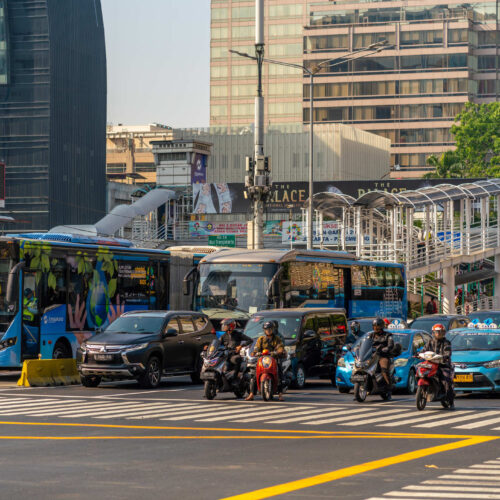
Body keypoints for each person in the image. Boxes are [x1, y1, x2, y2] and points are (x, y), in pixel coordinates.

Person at [245, 321, 285, 401]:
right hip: (262, 359)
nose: (268, 331)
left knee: (279, 373)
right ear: (264, 330)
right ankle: (251, 394)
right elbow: (256, 348)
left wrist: (278, 352)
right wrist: (255, 352)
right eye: (266, 329)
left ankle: (280, 394)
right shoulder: (261, 339)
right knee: (254, 375)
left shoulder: (277, 339)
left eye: (270, 329)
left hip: (274, 358)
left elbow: (280, 347)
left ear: (273, 329)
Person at [424, 323, 454, 410]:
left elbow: (447, 352)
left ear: (443, 333)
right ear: (433, 333)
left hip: (443, 365)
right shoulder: (430, 342)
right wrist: (418, 354)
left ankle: (450, 400)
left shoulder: (446, 343)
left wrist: (445, 357)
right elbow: (424, 350)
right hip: (431, 364)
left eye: (440, 332)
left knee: (446, 380)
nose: (438, 334)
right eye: (436, 332)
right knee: (420, 370)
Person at [368, 317, 395, 400]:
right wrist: (358, 348)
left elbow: (391, 345)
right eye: (374, 326)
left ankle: (389, 390)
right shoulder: (371, 335)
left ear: (382, 326)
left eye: (377, 326)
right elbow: (364, 343)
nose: (375, 328)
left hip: (382, 356)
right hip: (371, 355)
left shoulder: (388, 335)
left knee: (384, 370)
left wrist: (386, 348)